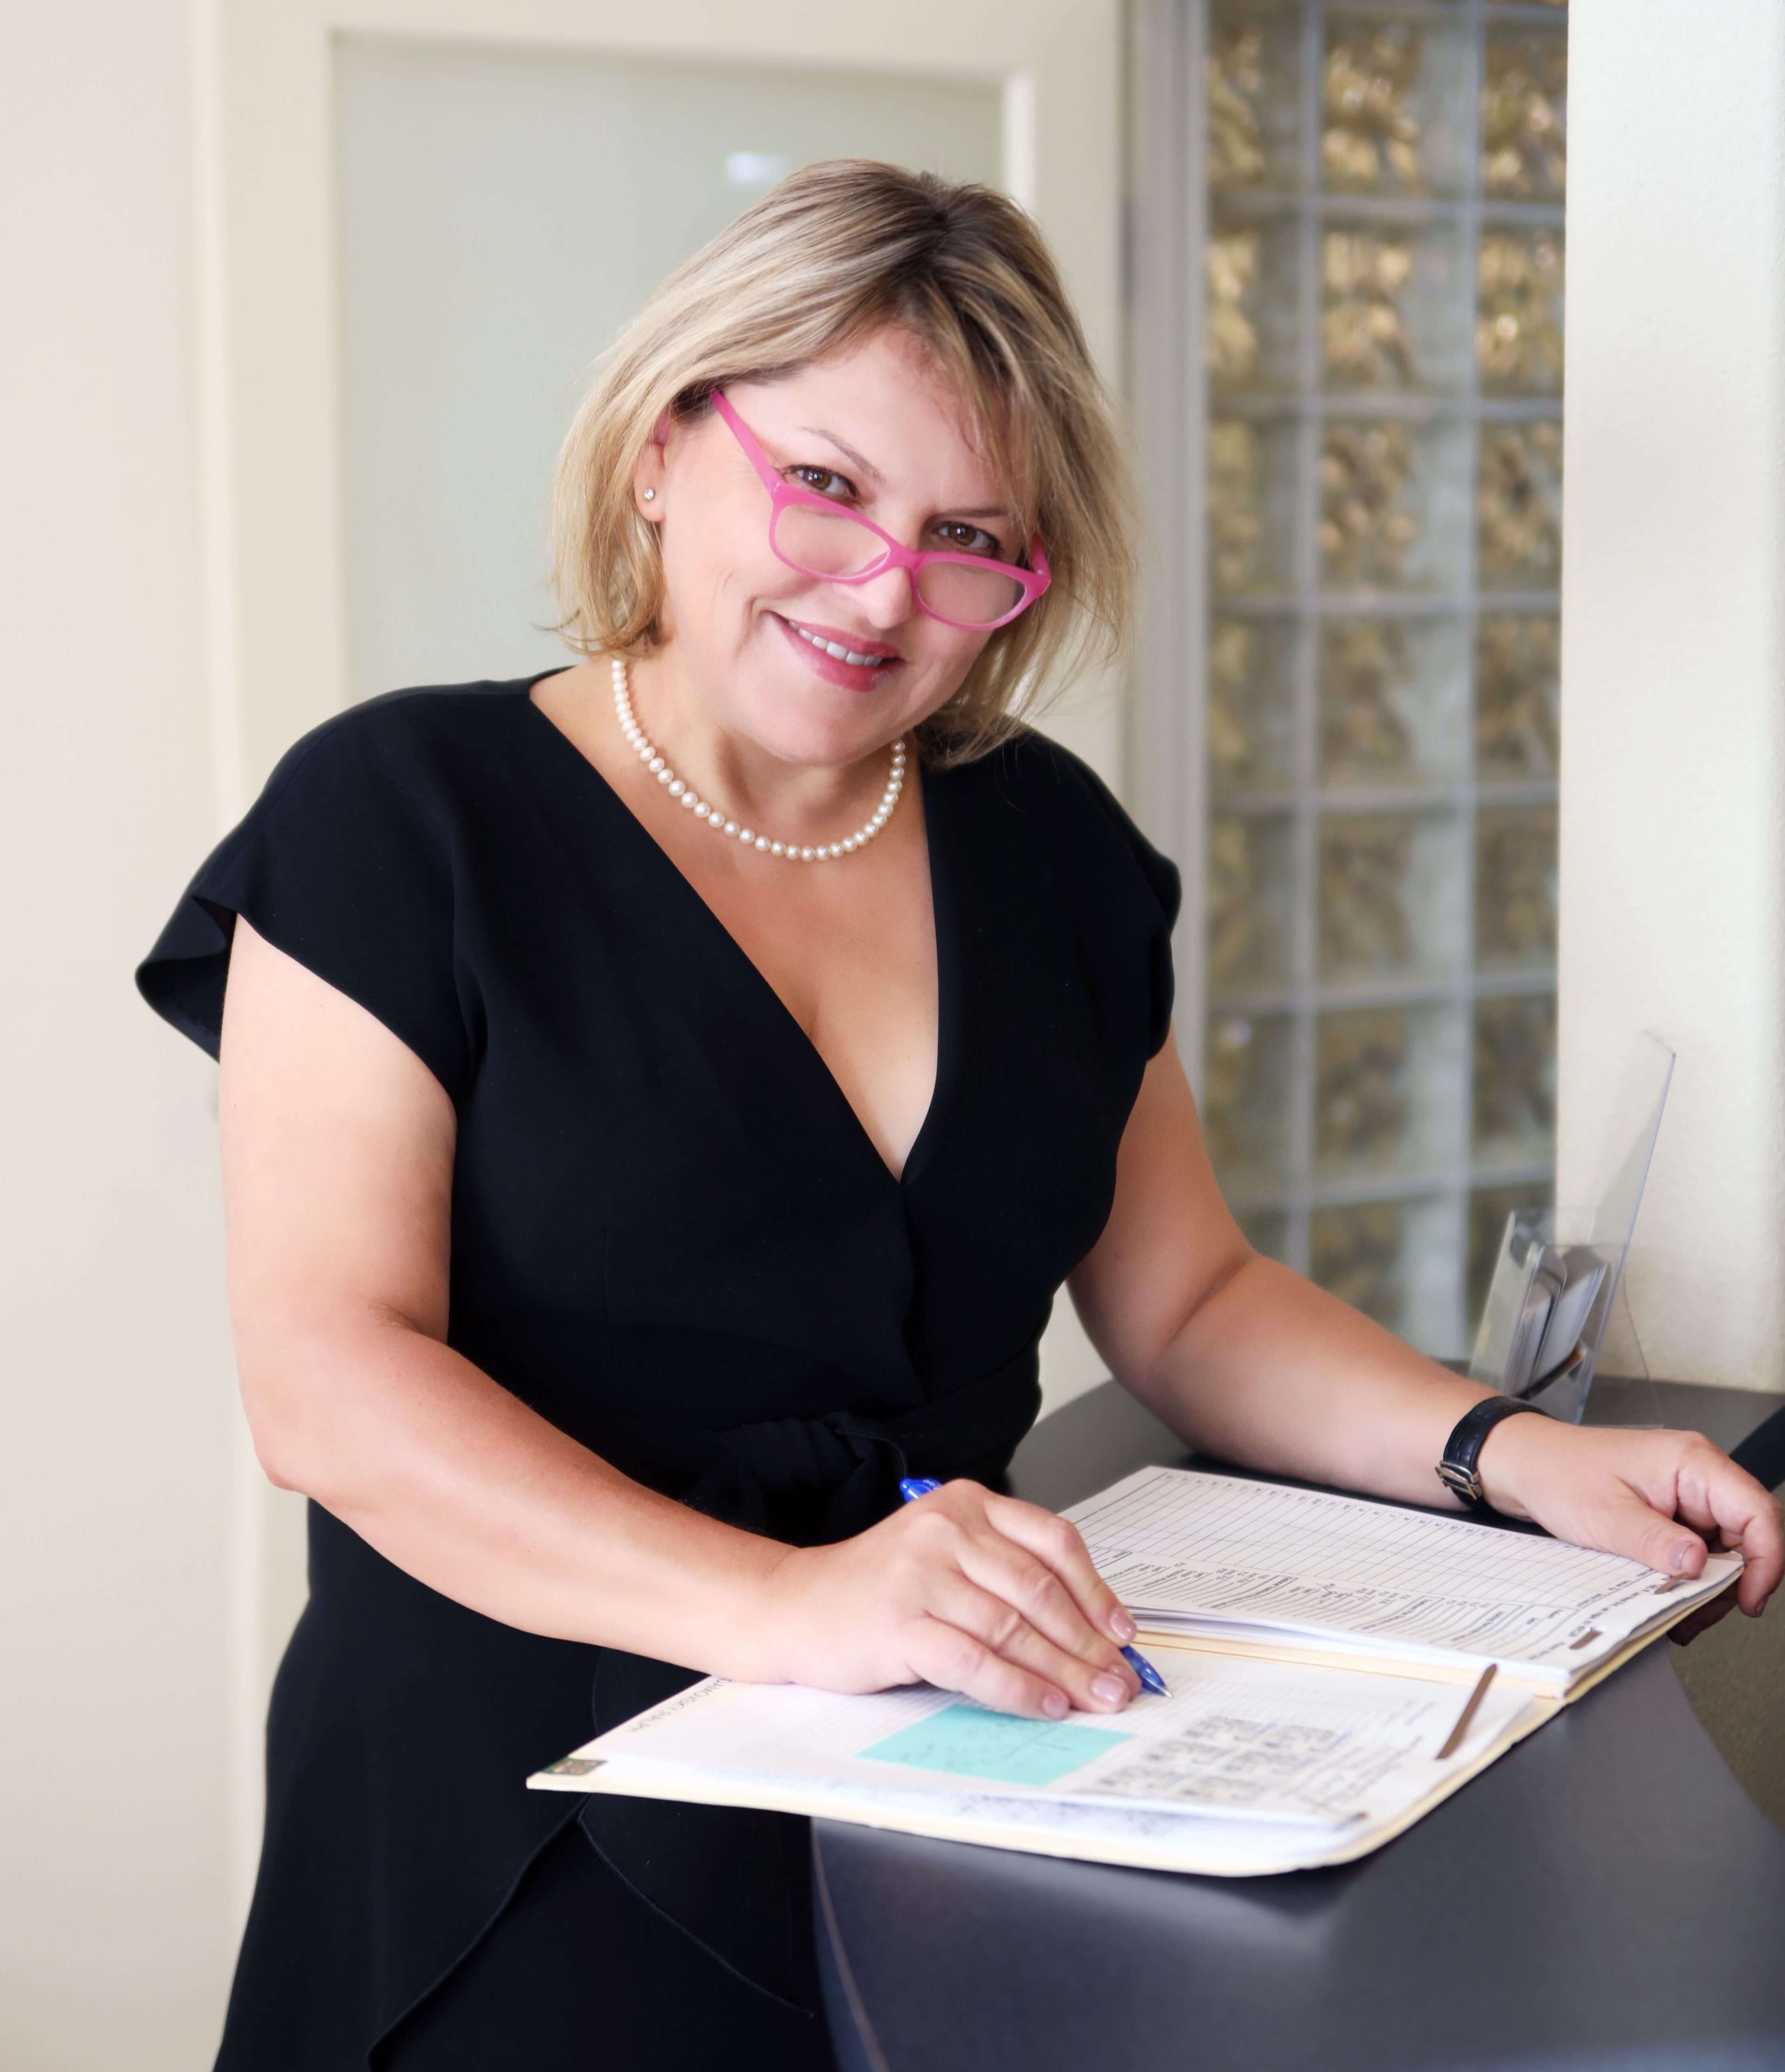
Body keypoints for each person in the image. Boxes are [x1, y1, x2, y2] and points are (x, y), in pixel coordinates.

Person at [138, 160, 1781, 2072]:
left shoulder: (1049, 843)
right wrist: (797, 1605)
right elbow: (329, 1379)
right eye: (825, 484)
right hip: (524, 1805)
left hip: (964, 1770)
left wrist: (1505, 1452)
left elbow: (1188, 1299)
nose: (883, 588)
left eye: (967, 535)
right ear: (667, 443)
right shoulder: (401, 815)